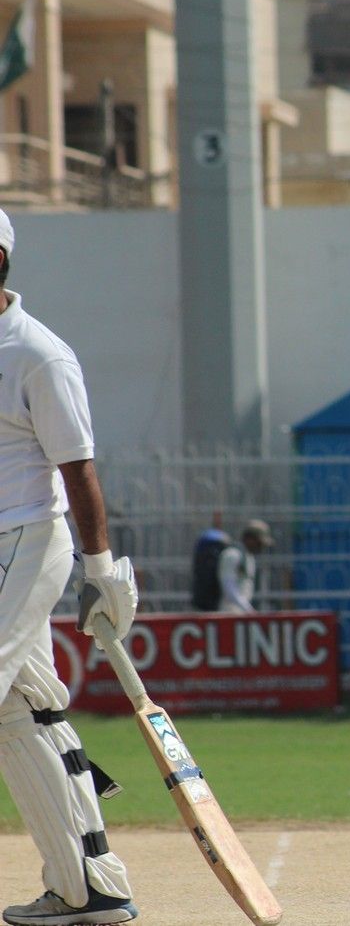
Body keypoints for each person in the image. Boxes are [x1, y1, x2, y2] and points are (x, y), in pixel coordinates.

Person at [0, 207, 140, 925]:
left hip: (26, 539)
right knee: (27, 709)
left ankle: (87, 885)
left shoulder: (37, 352)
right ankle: (88, 885)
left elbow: (77, 467)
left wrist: (101, 568)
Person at [192, 520, 273, 614]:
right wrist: (249, 610)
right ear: (249, 539)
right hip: (227, 613)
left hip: (240, 612)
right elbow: (228, 587)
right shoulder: (232, 554)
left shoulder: (248, 556)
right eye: (259, 543)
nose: (261, 547)